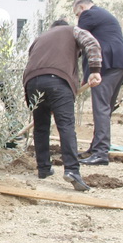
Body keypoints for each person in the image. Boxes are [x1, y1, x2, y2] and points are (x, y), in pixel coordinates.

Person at [23, 19, 102, 191]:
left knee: (41, 127)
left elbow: (32, 58)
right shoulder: (72, 30)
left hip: (32, 82)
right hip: (58, 81)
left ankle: (43, 168)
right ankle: (72, 170)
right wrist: (95, 71)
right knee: (66, 125)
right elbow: (92, 43)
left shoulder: (40, 38)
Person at [72, 0, 123, 166]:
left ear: (81, 8)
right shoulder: (103, 15)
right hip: (118, 65)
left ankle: (100, 153)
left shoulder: (89, 14)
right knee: (105, 109)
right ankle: (96, 148)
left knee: (101, 109)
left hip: (106, 65)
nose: (78, 18)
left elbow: (80, 41)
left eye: (77, 14)